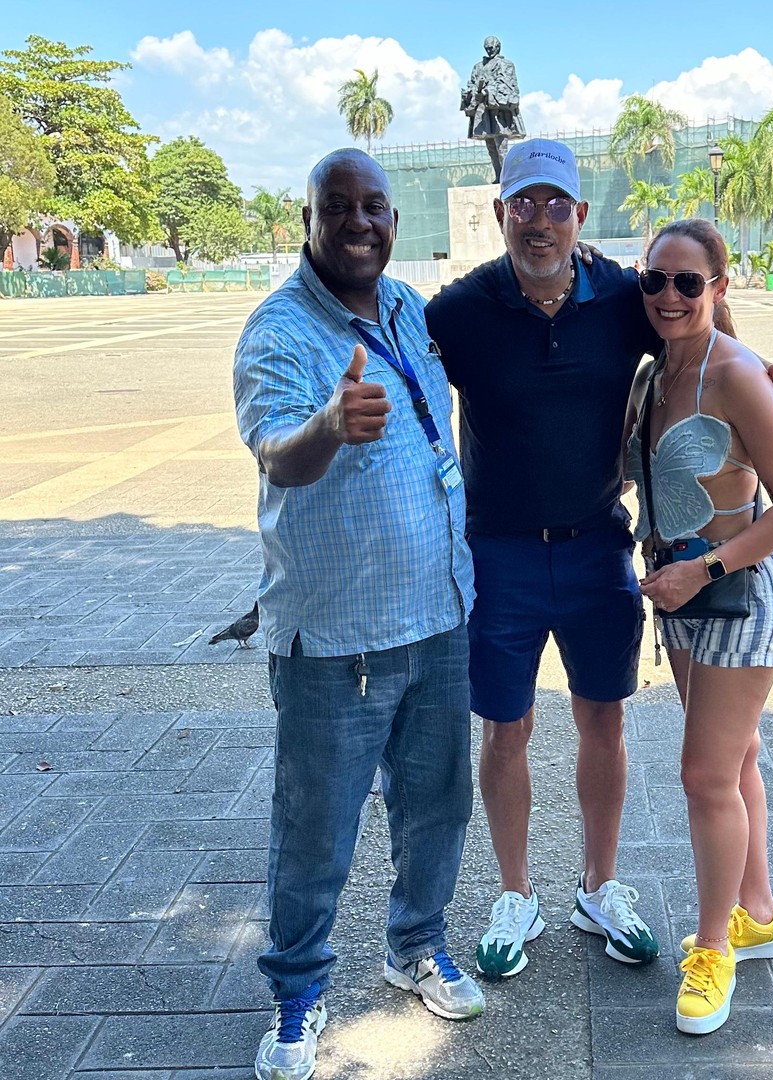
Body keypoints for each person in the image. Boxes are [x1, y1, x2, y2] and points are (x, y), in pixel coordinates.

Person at [424, 139, 773, 982]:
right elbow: (398, 363)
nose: (539, 222)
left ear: (580, 214)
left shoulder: (622, 296)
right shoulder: (460, 310)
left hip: (600, 545)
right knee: (505, 727)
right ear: (500, 212)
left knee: (605, 719)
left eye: (555, 205)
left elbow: (701, 332)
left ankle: (599, 886)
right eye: (523, 204)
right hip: (498, 553)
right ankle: (516, 893)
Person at [233, 148, 483, 1080]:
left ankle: (415, 945)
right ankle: (297, 996)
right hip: (338, 640)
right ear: (307, 220)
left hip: (438, 614)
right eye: (335, 206)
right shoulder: (279, 332)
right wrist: (331, 425)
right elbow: (278, 455)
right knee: (316, 828)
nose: (358, 223)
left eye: (372, 206)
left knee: (438, 806)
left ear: (392, 219)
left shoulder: (410, 308)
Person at [624, 219, 773, 1035]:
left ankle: (713, 948)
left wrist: (701, 570)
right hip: (681, 596)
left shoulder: (736, 374)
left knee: (704, 776)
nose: (668, 296)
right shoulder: (654, 374)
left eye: (687, 282)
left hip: (738, 588)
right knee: (733, 760)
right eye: (654, 280)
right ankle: (757, 914)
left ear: (719, 287)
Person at [461, 36, 527, 182]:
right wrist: (473, 92)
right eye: (487, 48)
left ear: (498, 47)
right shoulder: (478, 67)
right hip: (484, 111)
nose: (489, 50)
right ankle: (498, 176)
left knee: (501, 147)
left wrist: (488, 91)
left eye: (491, 48)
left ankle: (507, 177)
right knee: (491, 147)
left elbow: (508, 85)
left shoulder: (506, 64)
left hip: (499, 110)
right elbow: (472, 84)